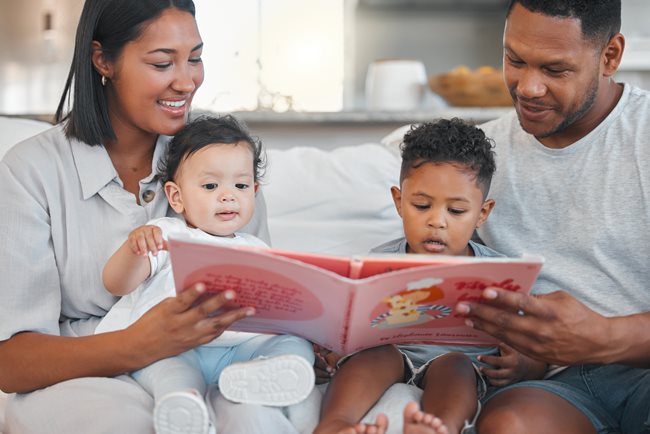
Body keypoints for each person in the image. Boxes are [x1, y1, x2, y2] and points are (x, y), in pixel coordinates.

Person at [0, 1, 305, 433]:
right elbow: (11, 363)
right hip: (76, 374)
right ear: (102, 59)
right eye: (163, 62)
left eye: (195, 58)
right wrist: (141, 344)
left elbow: (255, 297)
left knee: (253, 414)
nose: (187, 81)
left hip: (213, 359)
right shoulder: (30, 171)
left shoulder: (221, 160)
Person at [451, 1, 650, 433]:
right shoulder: (477, 157)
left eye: (555, 70)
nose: (528, 87)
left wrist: (602, 337)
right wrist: (516, 353)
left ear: (610, 57)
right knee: (510, 425)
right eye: (514, 60)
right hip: (555, 387)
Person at [314, 119, 547, 434]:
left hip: (458, 368)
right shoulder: (377, 261)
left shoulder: (501, 273)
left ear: (482, 213)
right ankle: (334, 425)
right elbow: (346, 326)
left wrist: (522, 364)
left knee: (456, 365)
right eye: (421, 206)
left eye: (456, 211)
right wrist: (332, 345)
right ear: (399, 201)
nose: (437, 222)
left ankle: (439, 427)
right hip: (390, 358)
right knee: (375, 355)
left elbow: (534, 348)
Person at [97, 115, 315, 434]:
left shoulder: (257, 248)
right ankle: (182, 401)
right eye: (211, 186)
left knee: (296, 343)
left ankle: (260, 380)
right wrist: (134, 249)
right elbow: (116, 284)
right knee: (166, 369)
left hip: (241, 351)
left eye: (240, 185)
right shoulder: (165, 234)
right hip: (175, 347)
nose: (228, 196)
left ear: (254, 191)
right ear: (176, 197)